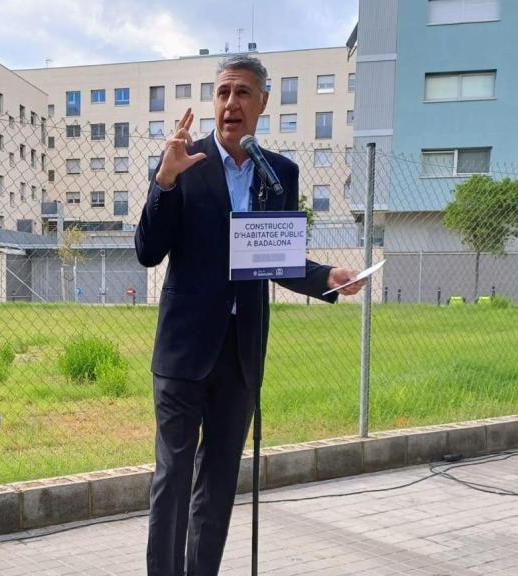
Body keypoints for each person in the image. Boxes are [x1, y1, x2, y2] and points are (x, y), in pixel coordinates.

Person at [135, 54, 366, 576]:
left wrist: (325, 277)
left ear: (263, 102)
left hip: (241, 352)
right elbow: (148, 251)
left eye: (242, 93)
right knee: (172, 479)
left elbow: (274, 257)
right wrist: (163, 184)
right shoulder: (182, 159)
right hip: (183, 351)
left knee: (218, 482)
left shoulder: (277, 171)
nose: (230, 104)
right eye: (222, 93)